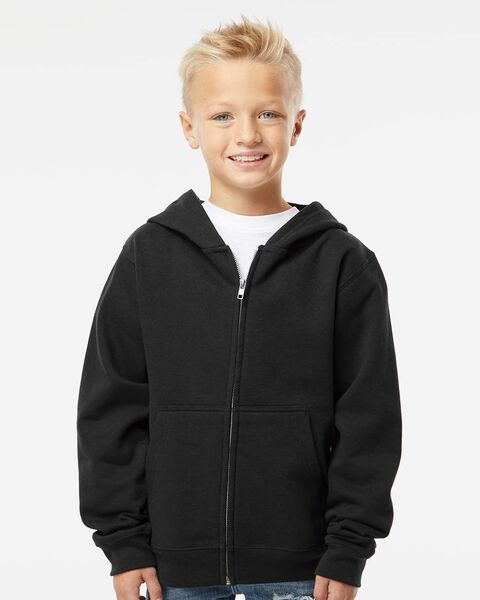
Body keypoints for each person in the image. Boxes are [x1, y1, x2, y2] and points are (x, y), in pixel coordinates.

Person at [76, 15, 402, 600]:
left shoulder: (341, 262)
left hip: (303, 572)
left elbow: (369, 418)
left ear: (296, 124)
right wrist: (124, 543)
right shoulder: (149, 256)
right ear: (190, 128)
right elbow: (111, 407)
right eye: (222, 116)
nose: (246, 134)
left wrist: (349, 548)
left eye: (267, 113)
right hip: (173, 571)